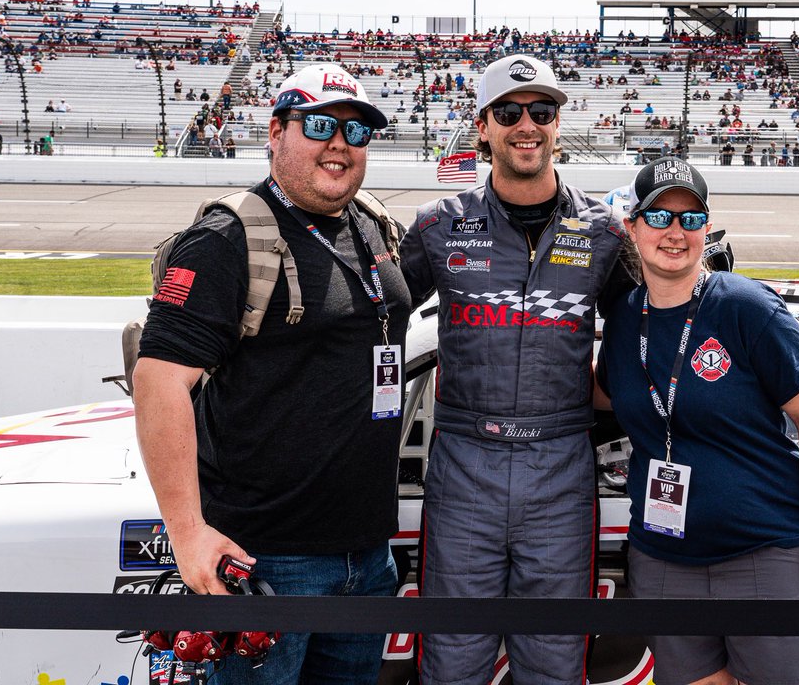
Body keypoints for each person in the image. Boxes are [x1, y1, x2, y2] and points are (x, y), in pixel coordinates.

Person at [132, 63, 407, 684]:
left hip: (367, 556)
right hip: (265, 561)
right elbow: (159, 380)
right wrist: (188, 533)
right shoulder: (228, 238)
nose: (339, 143)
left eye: (356, 131)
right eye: (319, 125)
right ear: (276, 131)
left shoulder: (372, 224)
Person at [399, 54, 636, 685]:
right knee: (451, 663)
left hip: (562, 464)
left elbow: (651, 333)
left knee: (555, 664)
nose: (525, 124)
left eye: (541, 111)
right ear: (483, 127)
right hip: (463, 465)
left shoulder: (606, 232)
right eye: (509, 112)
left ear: (559, 123)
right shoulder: (435, 226)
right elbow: (369, 323)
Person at [596, 157, 799, 685]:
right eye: (659, 217)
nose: (675, 232)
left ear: (706, 227)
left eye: (690, 218)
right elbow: (596, 396)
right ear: (633, 227)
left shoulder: (746, 307)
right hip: (664, 560)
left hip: (764, 554)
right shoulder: (622, 320)